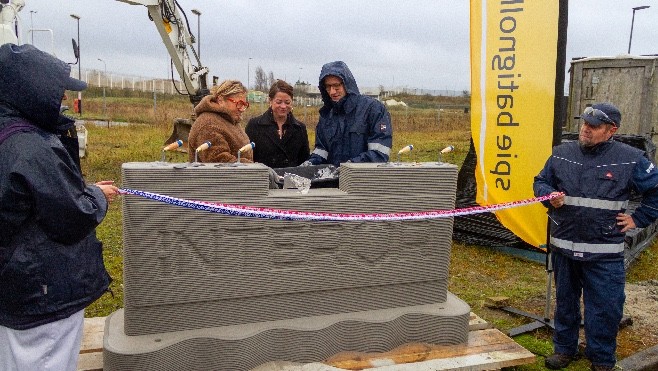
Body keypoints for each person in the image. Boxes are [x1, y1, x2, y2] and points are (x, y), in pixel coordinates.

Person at [0, 44, 118, 371]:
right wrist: (97, 195)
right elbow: (71, 215)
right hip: (43, 291)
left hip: (18, 285)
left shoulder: (11, 134)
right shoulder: (29, 148)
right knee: (46, 360)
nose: (64, 100)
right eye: (60, 93)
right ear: (32, 91)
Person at [533, 103, 658, 371]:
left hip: (604, 252)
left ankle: (601, 360)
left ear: (612, 130)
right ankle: (564, 350)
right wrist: (547, 195)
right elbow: (540, 182)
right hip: (564, 247)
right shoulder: (561, 154)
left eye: (594, 126)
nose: (585, 129)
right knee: (565, 304)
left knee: (605, 308)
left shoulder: (631, 159)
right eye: (584, 123)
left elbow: (656, 191)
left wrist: (639, 219)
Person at [305, 61, 392, 167]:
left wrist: (350, 167)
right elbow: (321, 151)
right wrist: (311, 163)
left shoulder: (373, 109)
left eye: (336, 86)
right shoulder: (326, 115)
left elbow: (379, 153)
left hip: (363, 181)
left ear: (347, 84)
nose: (332, 92)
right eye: (328, 87)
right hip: (333, 181)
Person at [245, 79, 310, 168]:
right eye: (279, 102)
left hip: (290, 180)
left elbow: (304, 161)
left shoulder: (300, 128)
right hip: (264, 179)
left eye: (287, 102)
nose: (283, 106)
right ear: (270, 101)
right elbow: (247, 158)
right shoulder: (255, 125)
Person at [187, 80, 253, 163]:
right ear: (220, 100)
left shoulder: (229, 121)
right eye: (239, 103)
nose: (242, 109)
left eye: (244, 105)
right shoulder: (208, 126)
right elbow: (220, 164)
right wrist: (255, 168)